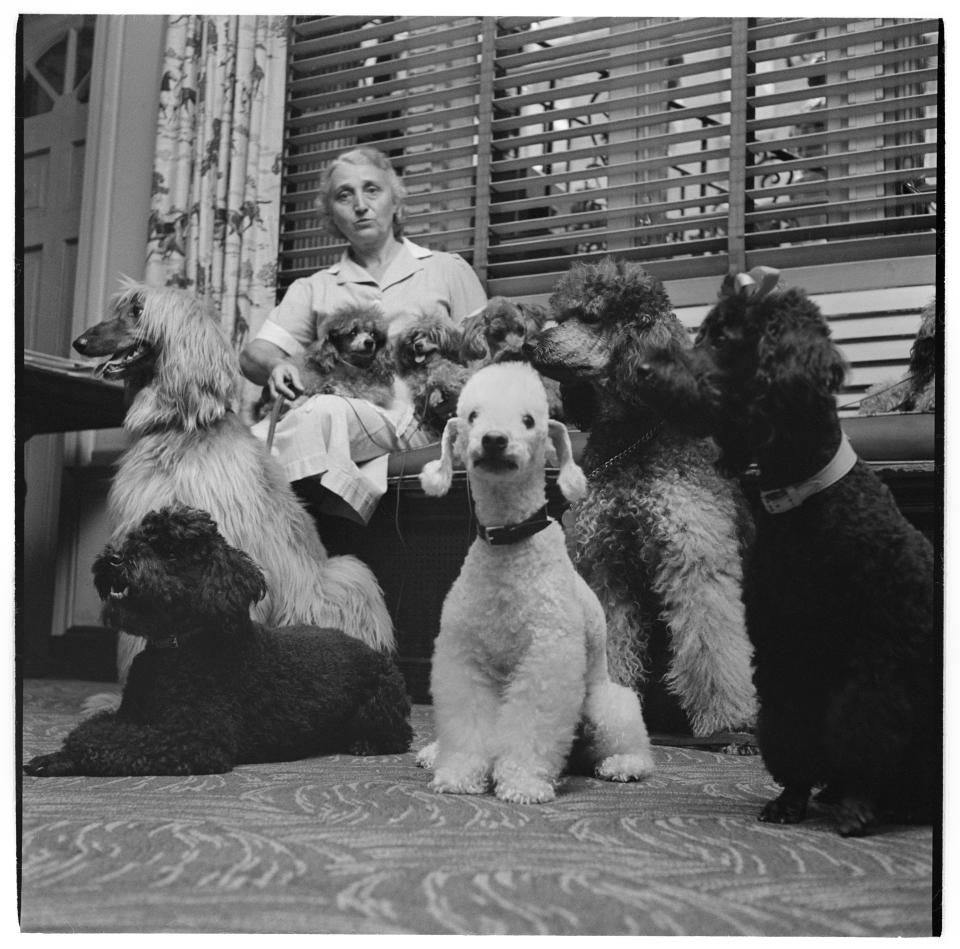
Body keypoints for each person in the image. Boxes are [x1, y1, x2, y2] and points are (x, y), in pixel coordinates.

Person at [241, 146, 487, 524]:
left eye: (372, 190)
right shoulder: (315, 287)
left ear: (395, 200)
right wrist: (276, 365)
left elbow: (488, 357)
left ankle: (252, 522)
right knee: (246, 442)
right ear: (332, 215)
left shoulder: (446, 270)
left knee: (318, 414)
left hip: (420, 420)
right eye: (344, 195)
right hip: (340, 412)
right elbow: (253, 354)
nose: (360, 204)